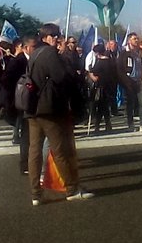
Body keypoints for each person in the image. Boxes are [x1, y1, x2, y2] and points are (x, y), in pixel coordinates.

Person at [27, 23, 94, 205]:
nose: (57, 38)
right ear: (45, 37)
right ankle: (71, 189)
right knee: (60, 150)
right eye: (54, 35)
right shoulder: (49, 53)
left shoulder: (34, 54)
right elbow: (61, 77)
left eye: (58, 35)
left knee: (34, 151)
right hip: (49, 109)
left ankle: (35, 193)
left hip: (33, 108)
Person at [118, 33, 142, 132]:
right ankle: (130, 124)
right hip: (129, 82)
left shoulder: (141, 52)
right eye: (134, 39)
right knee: (130, 103)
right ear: (129, 40)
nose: (136, 40)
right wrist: (125, 81)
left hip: (139, 80)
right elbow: (119, 68)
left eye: (137, 38)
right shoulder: (124, 53)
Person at [88, 44, 115, 134]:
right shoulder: (111, 61)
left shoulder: (100, 62)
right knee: (105, 107)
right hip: (109, 87)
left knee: (100, 107)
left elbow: (94, 74)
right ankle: (107, 125)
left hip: (101, 87)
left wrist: (90, 72)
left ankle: (98, 126)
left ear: (97, 53)